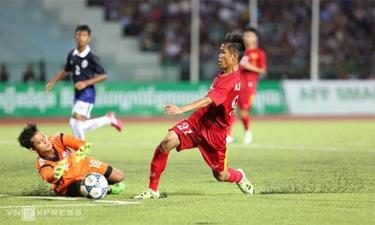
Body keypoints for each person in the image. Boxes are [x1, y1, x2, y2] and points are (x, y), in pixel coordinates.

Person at [134, 33, 254, 199]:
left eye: (223, 53)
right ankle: (152, 189)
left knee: (221, 175)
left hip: (215, 133)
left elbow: (208, 100)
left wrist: (181, 109)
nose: (219, 56)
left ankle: (239, 176)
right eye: (219, 52)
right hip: (199, 121)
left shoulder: (231, 81)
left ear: (234, 57)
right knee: (166, 142)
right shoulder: (226, 72)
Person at [45, 24, 122, 140]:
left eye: (84, 35)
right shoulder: (72, 54)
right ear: (75, 37)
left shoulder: (92, 57)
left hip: (87, 93)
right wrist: (53, 81)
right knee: (78, 123)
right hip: (78, 93)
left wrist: (85, 83)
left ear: (88, 38)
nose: (81, 37)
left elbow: (104, 75)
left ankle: (81, 149)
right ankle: (107, 119)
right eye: (79, 34)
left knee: (74, 122)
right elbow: (66, 70)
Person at [17, 124, 125, 197]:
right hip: (69, 183)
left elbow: (84, 145)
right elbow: (49, 177)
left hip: (84, 165)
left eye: (44, 137)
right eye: (40, 142)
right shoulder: (42, 164)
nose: (45, 141)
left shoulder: (57, 138)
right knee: (82, 187)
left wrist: (79, 155)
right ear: (32, 149)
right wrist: (56, 174)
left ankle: (101, 184)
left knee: (120, 176)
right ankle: (108, 190)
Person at [227, 27, 267, 144]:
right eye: (245, 35)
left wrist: (249, 66)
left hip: (249, 85)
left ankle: (247, 132)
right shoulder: (239, 52)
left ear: (255, 38)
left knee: (243, 111)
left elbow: (263, 71)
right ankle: (228, 135)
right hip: (235, 84)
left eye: (250, 35)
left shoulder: (259, 53)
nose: (247, 37)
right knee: (230, 110)